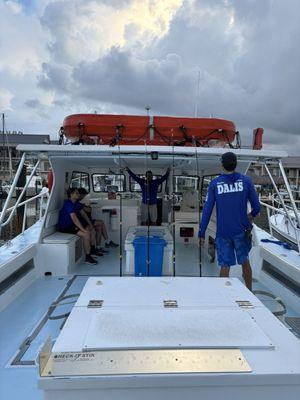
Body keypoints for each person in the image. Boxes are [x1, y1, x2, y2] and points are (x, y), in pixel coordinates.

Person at [198, 152, 260, 291]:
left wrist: (201, 233)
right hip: (241, 230)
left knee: (225, 265)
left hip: (223, 232)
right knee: (245, 261)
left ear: (222, 165)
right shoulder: (246, 181)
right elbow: (257, 207)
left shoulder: (214, 184)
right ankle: (250, 292)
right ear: (236, 164)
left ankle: (224, 296)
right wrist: (250, 216)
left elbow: (207, 211)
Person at [57, 188, 98, 265]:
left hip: (72, 224)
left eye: (78, 193)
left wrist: (90, 224)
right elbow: (74, 218)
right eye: (76, 193)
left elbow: (84, 214)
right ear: (71, 194)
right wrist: (83, 230)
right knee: (86, 234)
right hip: (66, 226)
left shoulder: (76, 203)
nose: (78, 194)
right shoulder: (68, 204)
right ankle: (88, 257)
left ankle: (92, 251)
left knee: (90, 229)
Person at [77, 188, 118, 253]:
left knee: (99, 227)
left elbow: (88, 210)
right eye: (84, 195)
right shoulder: (77, 203)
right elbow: (88, 211)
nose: (84, 197)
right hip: (83, 223)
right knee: (101, 222)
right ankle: (107, 241)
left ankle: (98, 247)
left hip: (86, 221)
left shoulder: (80, 202)